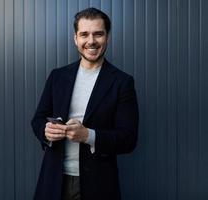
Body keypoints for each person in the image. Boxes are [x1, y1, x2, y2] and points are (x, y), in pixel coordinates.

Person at [31, 7, 139, 200]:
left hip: (99, 184)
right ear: (76, 39)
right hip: (53, 179)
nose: (91, 41)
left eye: (98, 34)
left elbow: (128, 139)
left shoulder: (122, 82)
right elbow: (38, 119)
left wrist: (88, 135)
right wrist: (46, 131)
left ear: (107, 37)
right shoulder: (58, 76)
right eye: (84, 34)